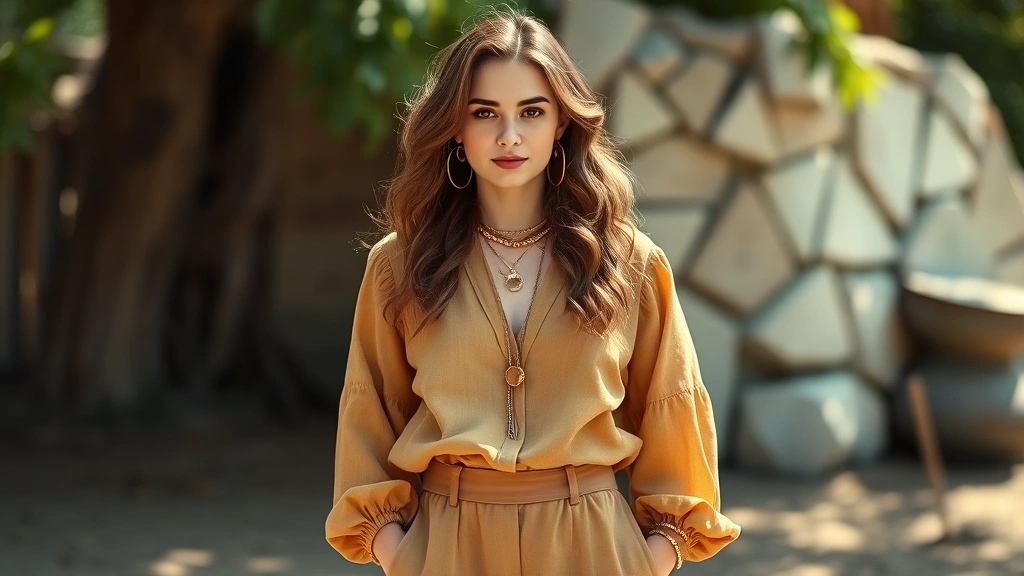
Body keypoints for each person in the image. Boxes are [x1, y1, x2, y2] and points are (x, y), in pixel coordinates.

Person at [325, 9, 740, 575]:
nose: (509, 135)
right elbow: (369, 417)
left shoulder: (629, 262)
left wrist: (649, 560)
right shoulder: (400, 265)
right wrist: (401, 555)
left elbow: (674, 421)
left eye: (532, 112)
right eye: (484, 112)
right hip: (450, 546)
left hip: (592, 547)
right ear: (454, 126)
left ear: (562, 124)